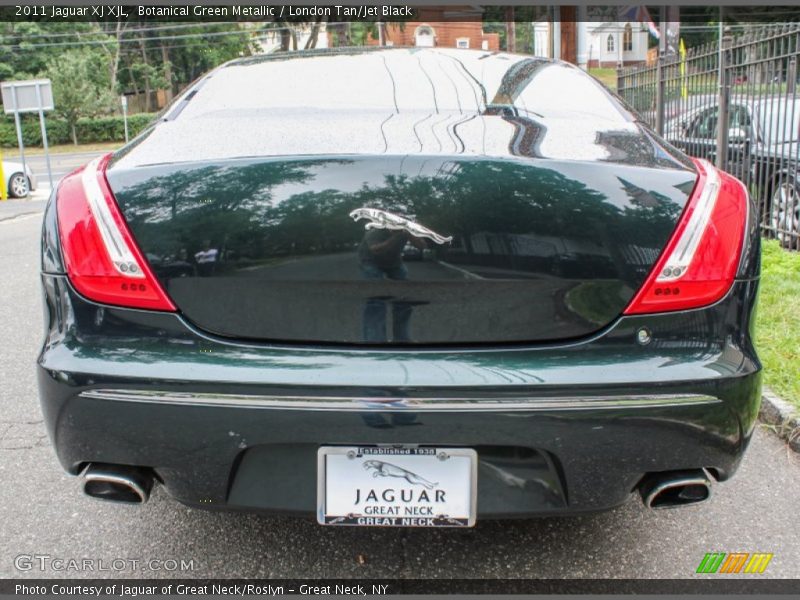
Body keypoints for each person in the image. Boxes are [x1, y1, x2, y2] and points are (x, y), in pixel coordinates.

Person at [358, 229, 426, 342]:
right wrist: (395, 237)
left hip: (394, 263)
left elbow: (422, 246)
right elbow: (375, 250)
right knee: (377, 301)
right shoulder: (376, 230)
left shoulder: (406, 229)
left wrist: (410, 234)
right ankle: (374, 340)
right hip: (370, 262)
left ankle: (402, 339)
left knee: (404, 300)